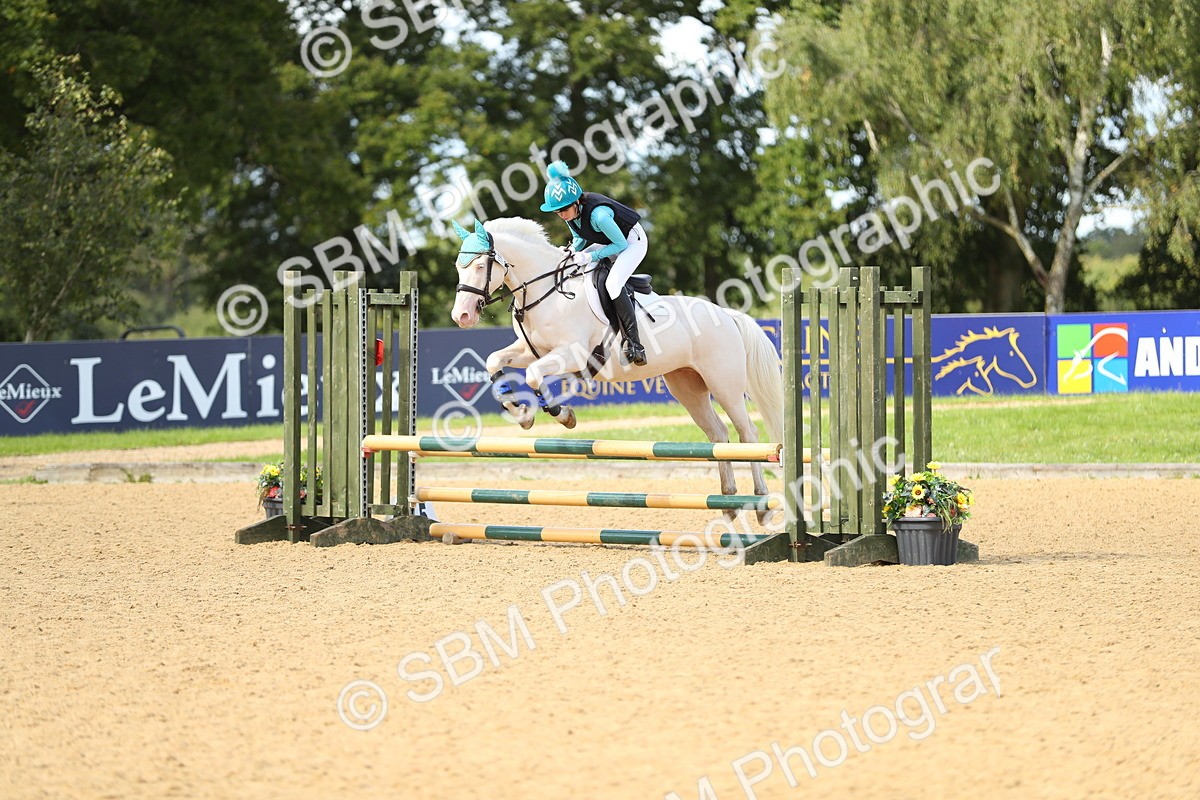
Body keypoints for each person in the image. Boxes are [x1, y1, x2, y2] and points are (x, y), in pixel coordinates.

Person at [539, 160, 648, 366]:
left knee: (613, 283)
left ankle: (635, 344)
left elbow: (620, 244)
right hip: (608, 241)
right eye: (557, 211)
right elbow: (580, 239)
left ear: (577, 202)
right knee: (573, 265)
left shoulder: (599, 215)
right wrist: (570, 252)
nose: (561, 215)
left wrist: (590, 257)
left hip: (632, 242)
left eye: (564, 209)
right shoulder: (572, 214)